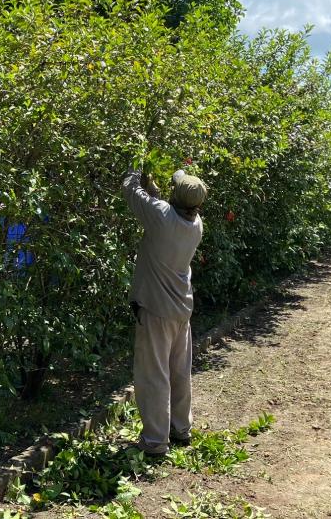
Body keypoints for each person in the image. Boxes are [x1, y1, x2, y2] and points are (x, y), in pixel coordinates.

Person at [122, 167, 207, 456]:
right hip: (181, 309)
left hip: (156, 309)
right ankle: (181, 428)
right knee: (179, 372)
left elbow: (130, 190)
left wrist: (135, 167)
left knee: (154, 375)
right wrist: (153, 189)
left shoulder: (161, 215)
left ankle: (155, 441)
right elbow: (162, 207)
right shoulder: (196, 225)